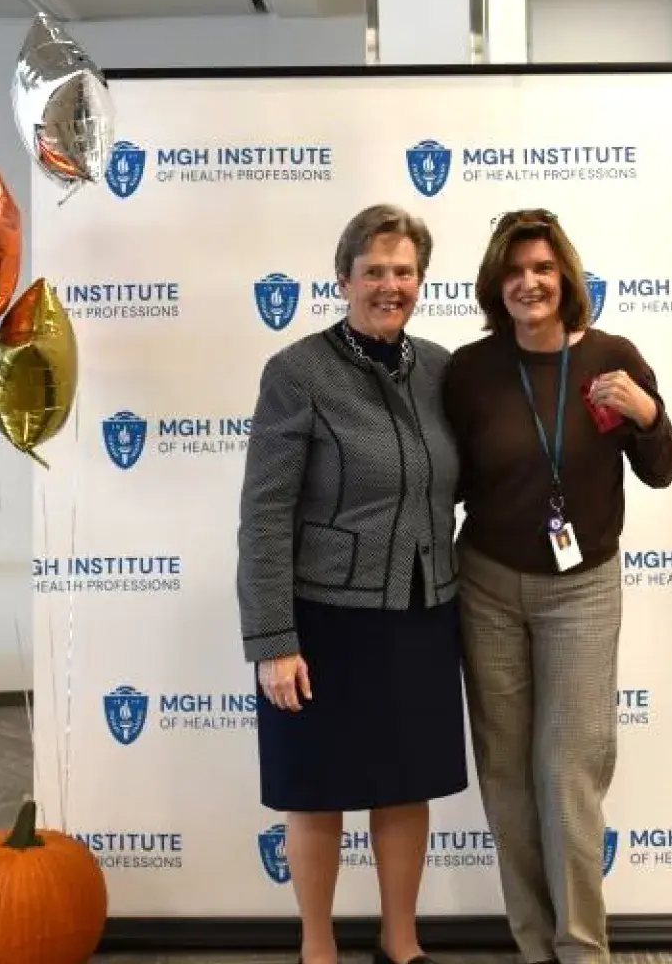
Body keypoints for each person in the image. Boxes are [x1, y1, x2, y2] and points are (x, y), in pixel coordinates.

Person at [442, 209, 672, 964]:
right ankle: (532, 943)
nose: (529, 283)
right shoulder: (471, 371)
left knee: (570, 769)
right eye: (514, 272)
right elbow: (439, 479)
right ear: (496, 284)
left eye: (543, 269)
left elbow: (663, 467)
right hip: (485, 586)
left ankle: (582, 948)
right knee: (507, 773)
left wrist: (647, 414)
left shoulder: (613, 359)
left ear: (566, 277)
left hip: (580, 590)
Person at [238, 203, 465, 964]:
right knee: (317, 790)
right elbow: (264, 514)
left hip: (421, 610)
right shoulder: (297, 372)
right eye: (374, 271)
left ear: (421, 282)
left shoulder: (439, 367)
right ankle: (317, 947)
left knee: (406, 786)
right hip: (323, 620)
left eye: (404, 271)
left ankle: (402, 943)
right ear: (344, 279)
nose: (389, 285)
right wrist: (273, 640)